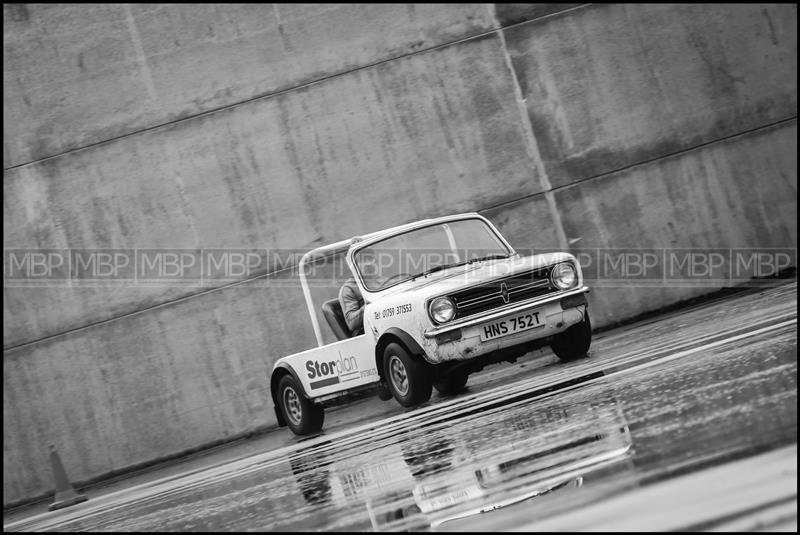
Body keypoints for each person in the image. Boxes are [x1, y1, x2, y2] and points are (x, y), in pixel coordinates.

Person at [338, 249, 380, 336]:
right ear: (353, 265)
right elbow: (352, 323)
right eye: (363, 260)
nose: (368, 263)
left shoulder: (384, 281)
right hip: (371, 332)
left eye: (370, 259)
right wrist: (370, 305)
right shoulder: (348, 289)